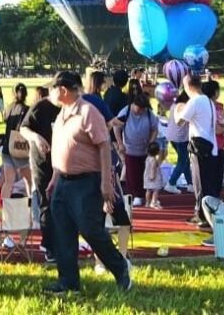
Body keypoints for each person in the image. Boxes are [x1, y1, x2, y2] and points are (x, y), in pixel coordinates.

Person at [42, 71, 131, 296]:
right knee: (62, 231)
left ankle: (120, 268)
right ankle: (68, 281)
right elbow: (61, 150)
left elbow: (103, 146)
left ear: (63, 90)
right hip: (62, 181)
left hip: (86, 182)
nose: (50, 93)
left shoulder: (87, 112)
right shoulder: (62, 114)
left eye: (53, 89)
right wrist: (54, 178)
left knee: (91, 230)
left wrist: (106, 183)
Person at [21, 85, 60, 262]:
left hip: (65, 163)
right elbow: (24, 128)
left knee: (64, 204)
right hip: (43, 163)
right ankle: (50, 246)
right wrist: (36, 138)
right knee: (47, 203)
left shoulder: (73, 107)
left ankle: (64, 243)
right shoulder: (40, 107)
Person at [180, 76, 221, 226]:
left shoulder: (195, 101)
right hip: (211, 147)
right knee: (208, 184)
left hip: (200, 149)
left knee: (200, 183)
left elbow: (180, 121)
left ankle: (202, 215)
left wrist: (178, 109)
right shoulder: (209, 101)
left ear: (187, 86)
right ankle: (206, 213)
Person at [111, 92, 159, 207]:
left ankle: (142, 194)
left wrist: (151, 142)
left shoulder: (148, 113)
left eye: (143, 109)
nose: (141, 111)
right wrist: (120, 143)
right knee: (132, 172)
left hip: (144, 149)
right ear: (134, 104)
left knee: (144, 171)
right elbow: (116, 127)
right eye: (139, 108)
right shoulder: (125, 112)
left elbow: (154, 128)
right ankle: (134, 194)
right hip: (130, 148)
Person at [0, 82, 30, 200]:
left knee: (8, 182)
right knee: (29, 181)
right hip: (20, 147)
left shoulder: (8, 109)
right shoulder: (27, 110)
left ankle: (4, 211)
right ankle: (31, 208)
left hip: (7, 147)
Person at [164, 91, 191, 194]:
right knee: (182, 161)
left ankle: (190, 183)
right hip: (181, 137)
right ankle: (171, 183)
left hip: (172, 136)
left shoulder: (174, 105)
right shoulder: (185, 107)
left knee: (185, 160)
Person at [142, 142, 164, 210]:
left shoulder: (147, 158)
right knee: (156, 190)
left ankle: (147, 202)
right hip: (153, 177)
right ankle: (154, 202)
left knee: (148, 190)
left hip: (146, 176)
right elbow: (153, 168)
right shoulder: (154, 160)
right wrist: (152, 176)